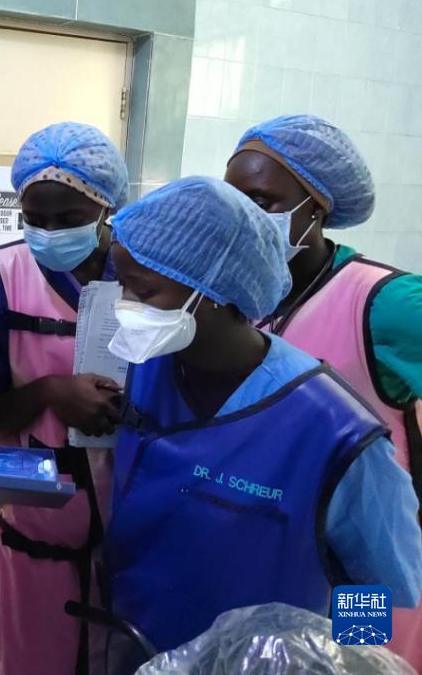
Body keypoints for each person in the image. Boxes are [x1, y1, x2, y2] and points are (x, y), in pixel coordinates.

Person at [102, 176, 422, 656]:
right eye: (123, 286)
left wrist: (349, 660)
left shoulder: (333, 432)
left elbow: (376, 578)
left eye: (143, 292)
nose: (126, 307)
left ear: (212, 291)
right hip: (138, 644)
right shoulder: (149, 370)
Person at [223, 114, 422, 669]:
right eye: (234, 199)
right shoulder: (240, 293)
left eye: (262, 201)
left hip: (362, 563)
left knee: (357, 661)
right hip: (272, 538)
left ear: (317, 206)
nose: (245, 216)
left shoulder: (384, 301)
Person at [0, 122, 129, 675]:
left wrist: (357, 650)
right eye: (35, 219)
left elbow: (366, 574)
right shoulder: (4, 274)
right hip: (40, 526)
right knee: (41, 655)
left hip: (133, 533)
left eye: (69, 219)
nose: (49, 234)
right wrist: (51, 393)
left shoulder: (376, 308)